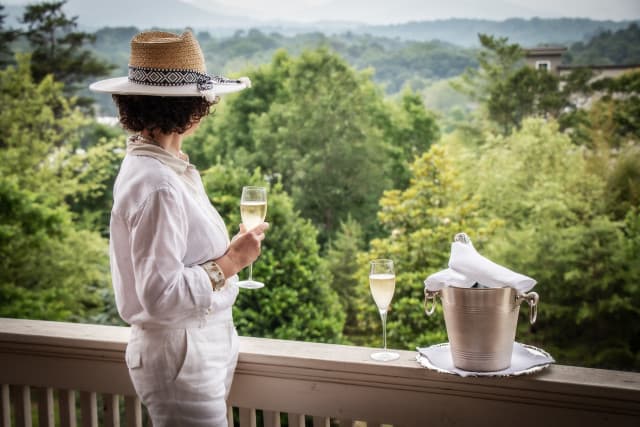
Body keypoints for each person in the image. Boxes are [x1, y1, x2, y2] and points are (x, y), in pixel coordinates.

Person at [90, 31, 268, 427]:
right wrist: (232, 262)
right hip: (182, 354)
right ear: (190, 110)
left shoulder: (164, 170)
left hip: (197, 348)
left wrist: (227, 256)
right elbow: (160, 295)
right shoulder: (158, 183)